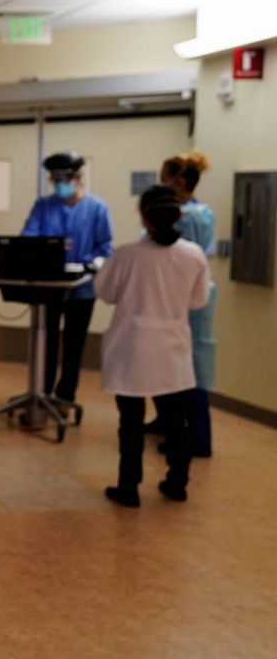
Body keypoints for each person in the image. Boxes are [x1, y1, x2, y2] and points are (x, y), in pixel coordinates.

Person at [94, 186, 210, 507]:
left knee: (130, 422)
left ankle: (128, 487)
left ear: (144, 217)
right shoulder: (193, 254)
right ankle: (177, 483)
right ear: (177, 215)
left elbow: (104, 292)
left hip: (131, 347)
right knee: (175, 421)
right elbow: (199, 301)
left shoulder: (127, 255)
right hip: (172, 349)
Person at [21, 152, 113, 406]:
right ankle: (42, 394)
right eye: (55, 179)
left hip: (81, 288)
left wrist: (88, 264)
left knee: (74, 345)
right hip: (48, 287)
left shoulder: (97, 208)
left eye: (64, 178)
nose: (59, 183)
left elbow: (105, 248)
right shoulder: (43, 206)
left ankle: (65, 398)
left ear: (77, 178)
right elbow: (28, 238)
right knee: (45, 342)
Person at [146, 151, 216, 458]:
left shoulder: (190, 218)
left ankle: (199, 439)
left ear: (179, 182)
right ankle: (166, 420)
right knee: (166, 364)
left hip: (185, 302)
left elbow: (179, 259)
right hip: (175, 300)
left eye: (164, 181)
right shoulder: (193, 213)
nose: (161, 186)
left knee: (190, 368)